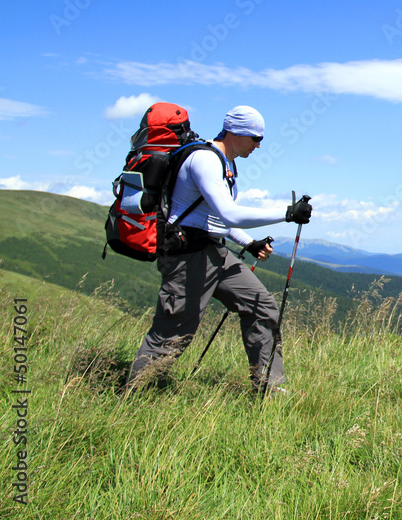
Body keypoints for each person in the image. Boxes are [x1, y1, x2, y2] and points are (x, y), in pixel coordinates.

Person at [126, 105, 313, 393]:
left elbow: (215, 219)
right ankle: (133, 396)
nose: (259, 145)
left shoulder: (225, 163)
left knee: (261, 306)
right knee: (174, 332)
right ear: (236, 132)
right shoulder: (205, 160)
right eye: (255, 138)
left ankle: (269, 388)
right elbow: (230, 214)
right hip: (187, 256)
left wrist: (248, 243)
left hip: (213, 251)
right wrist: (288, 213)